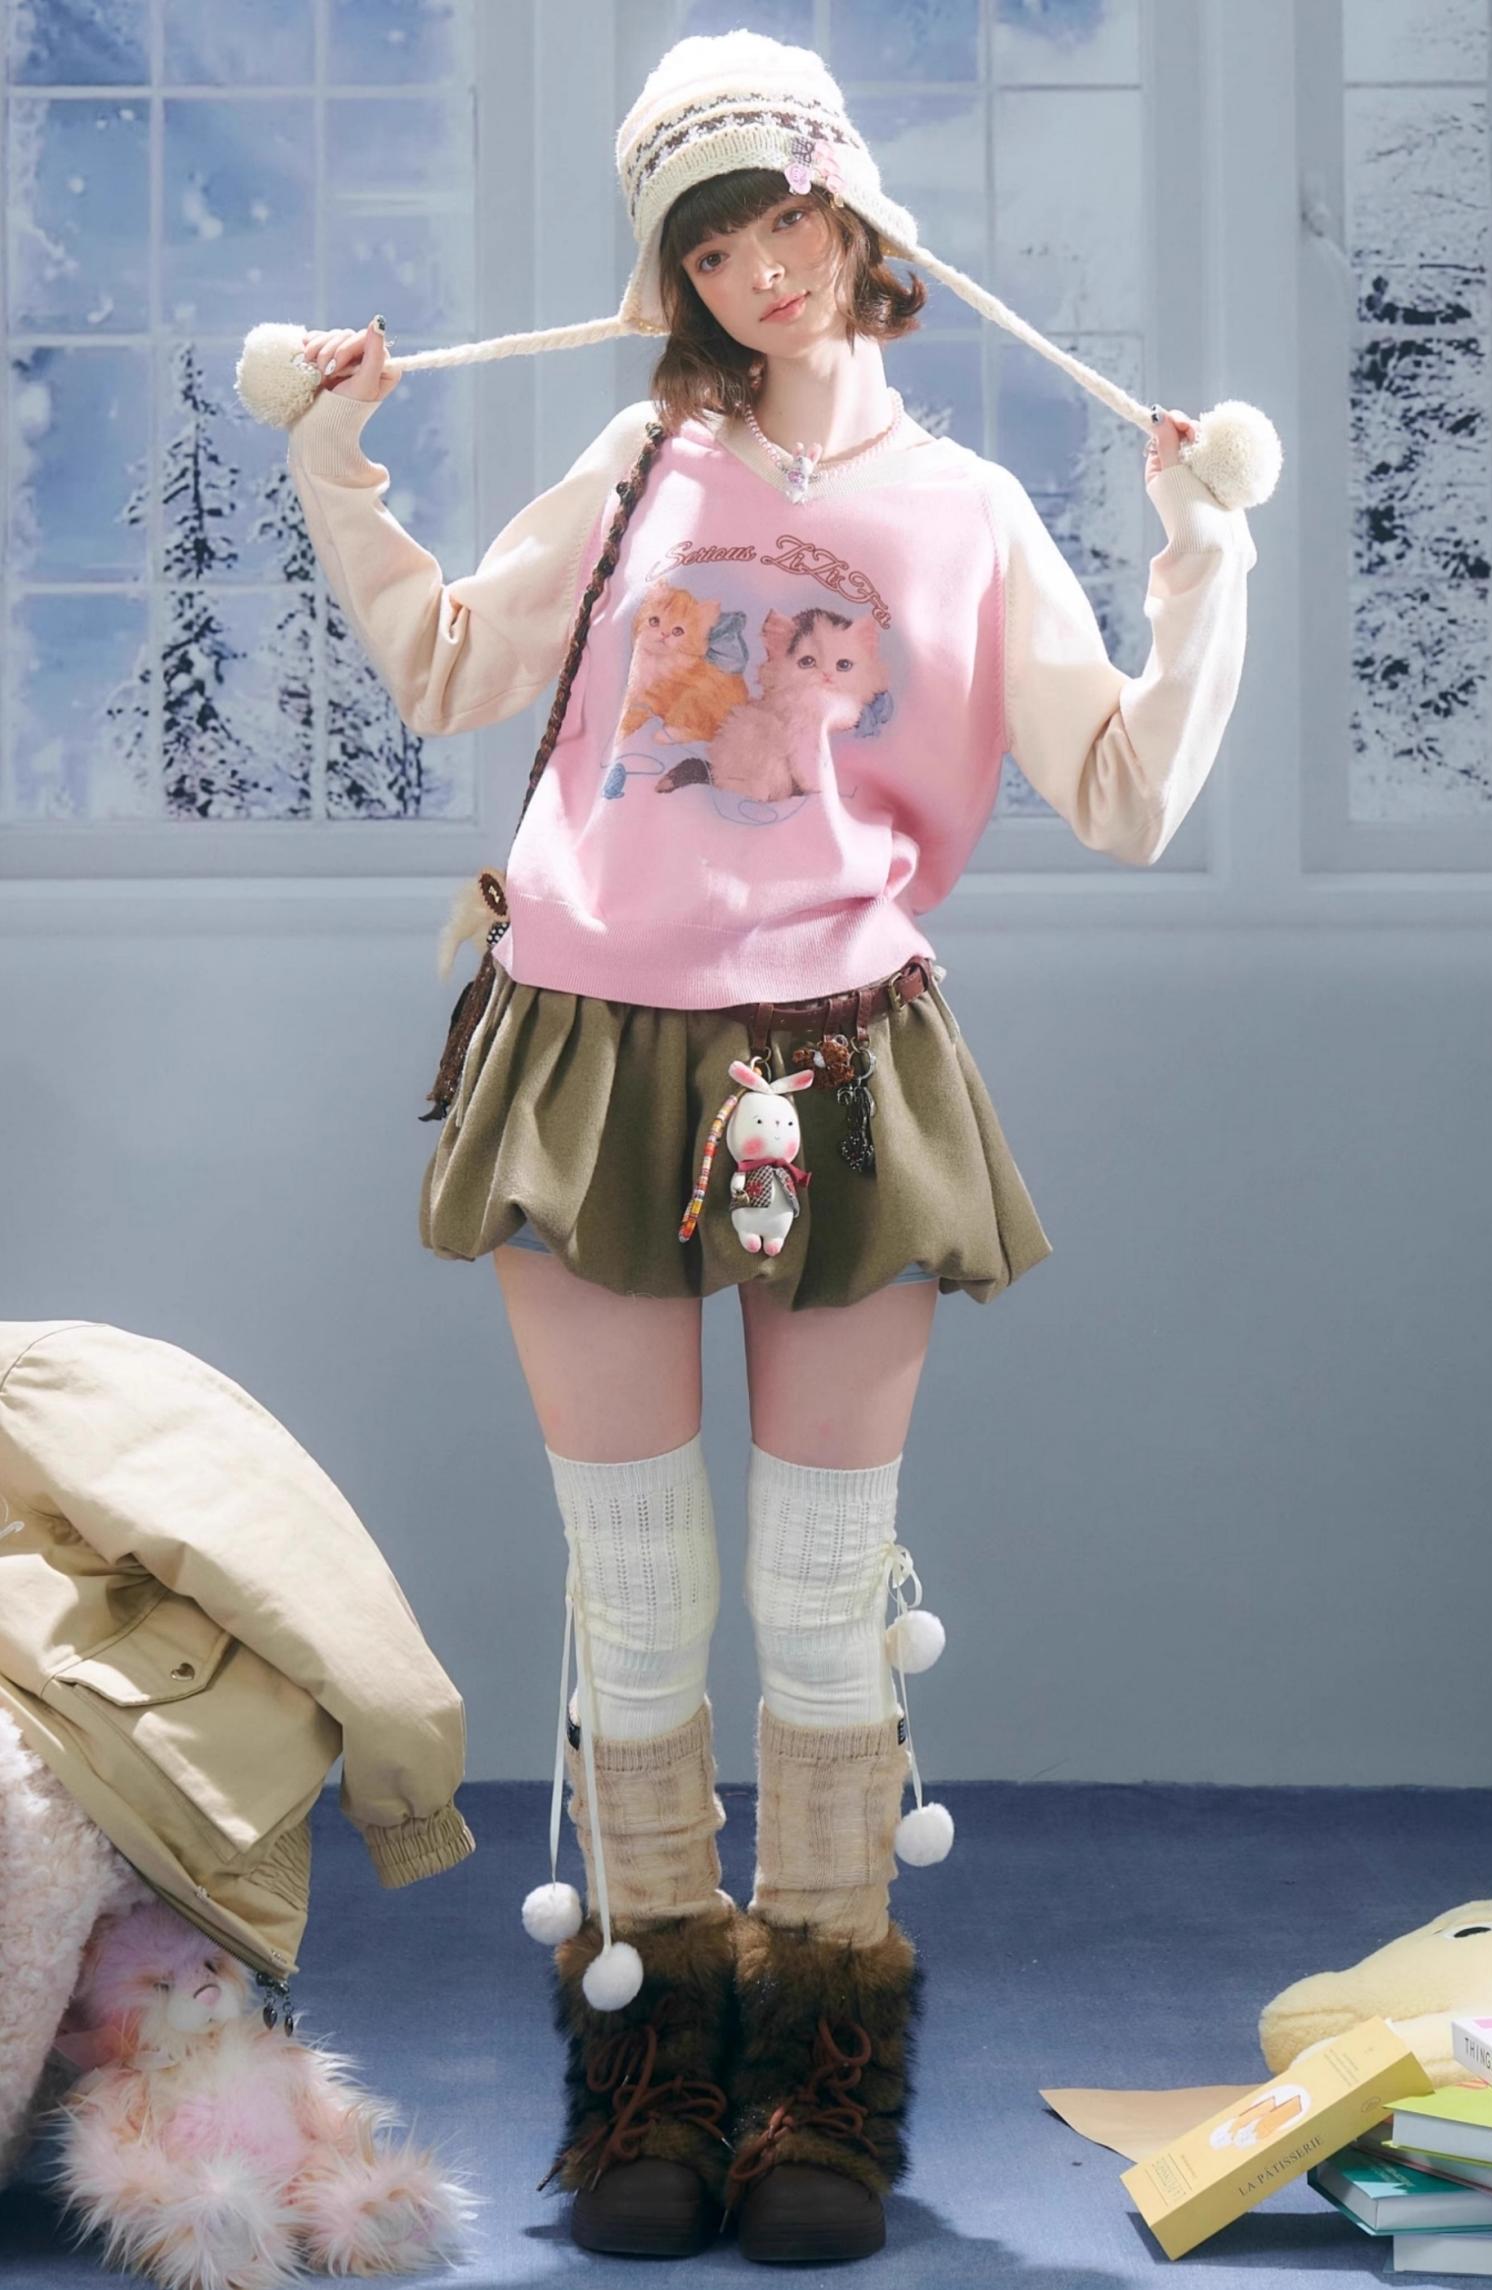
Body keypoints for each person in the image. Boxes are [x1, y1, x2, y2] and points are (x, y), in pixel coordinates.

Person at [281, 29, 1259, 2265]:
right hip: (591, 1048)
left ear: (856, 215)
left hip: (839, 1057)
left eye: (782, 218)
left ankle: (820, 2077)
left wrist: (1202, 561)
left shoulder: (967, 509)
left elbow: (1123, 793)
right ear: (678, 272)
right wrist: (338, 464)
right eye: (709, 243)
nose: (757, 270)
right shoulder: (638, 461)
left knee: (827, 1606)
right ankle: (644, 2067)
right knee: (634, 1602)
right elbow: (449, 663)